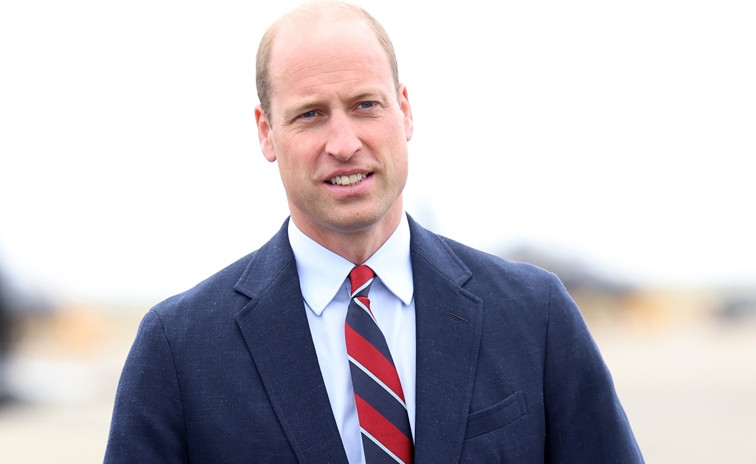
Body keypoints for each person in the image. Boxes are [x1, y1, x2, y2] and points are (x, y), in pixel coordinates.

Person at [105, 1, 644, 463]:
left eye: (365, 106)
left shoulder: (534, 316)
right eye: (310, 114)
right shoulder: (178, 349)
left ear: (404, 112)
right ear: (266, 132)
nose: (343, 143)